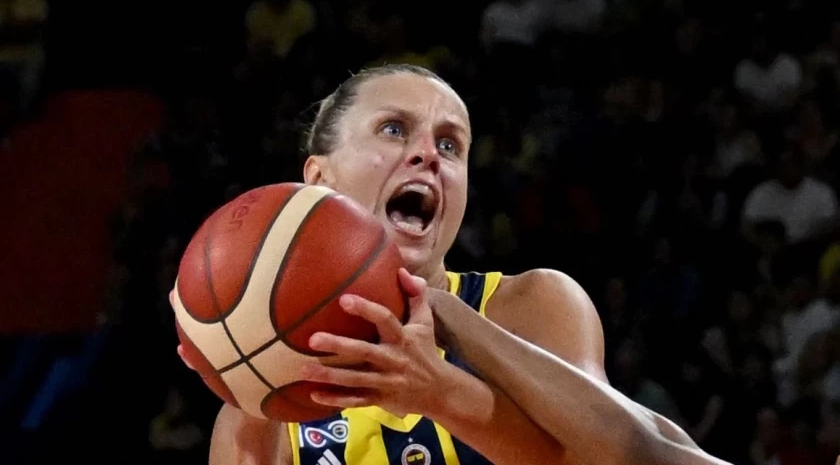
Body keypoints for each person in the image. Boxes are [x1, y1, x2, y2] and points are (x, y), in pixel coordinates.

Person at [177, 64, 729, 464]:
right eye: (394, 129)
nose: (427, 155)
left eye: (450, 145)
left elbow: (630, 457)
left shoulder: (530, 304)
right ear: (318, 180)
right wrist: (245, 369)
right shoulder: (270, 394)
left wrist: (442, 336)